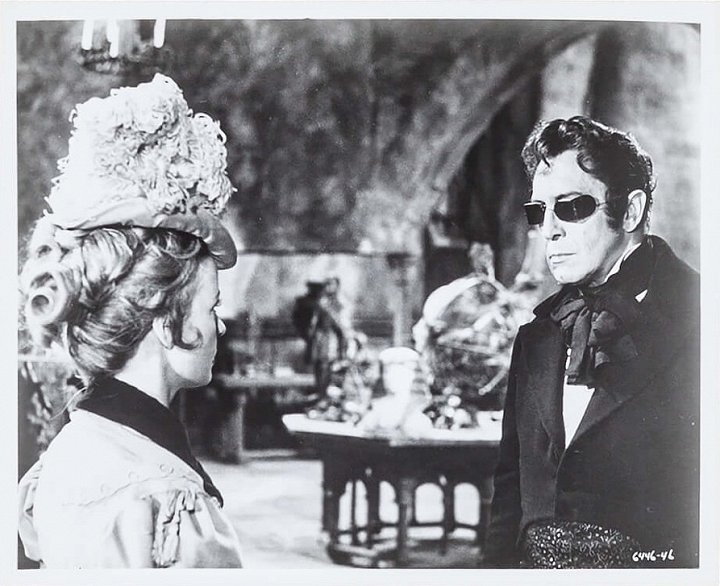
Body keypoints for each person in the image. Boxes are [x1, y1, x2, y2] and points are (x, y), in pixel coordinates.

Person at [17, 74, 243, 568]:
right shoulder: (158, 491)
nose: (220, 327)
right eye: (211, 307)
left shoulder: (81, 445)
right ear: (165, 322)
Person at [483, 116, 700, 568]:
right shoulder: (537, 336)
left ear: (631, 211)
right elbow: (508, 496)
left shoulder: (701, 320)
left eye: (571, 207)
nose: (548, 230)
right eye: (538, 211)